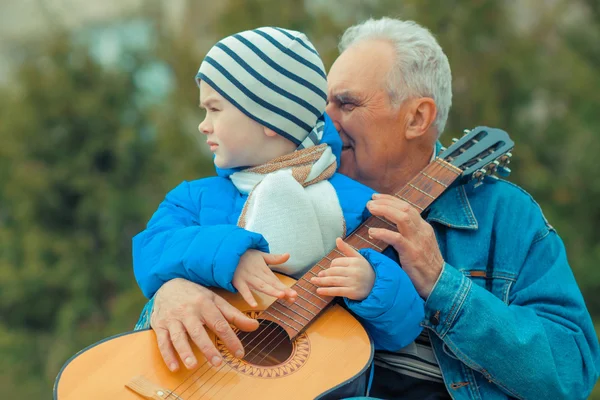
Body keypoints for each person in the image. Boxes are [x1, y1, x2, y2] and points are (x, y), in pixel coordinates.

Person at [136, 18, 600, 400]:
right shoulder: (269, 191)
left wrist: (443, 285)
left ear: (417, 117)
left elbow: (571, 372)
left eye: (346, 103)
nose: (324, 121)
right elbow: (165, 255)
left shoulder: (506, 217)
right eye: (321, 103)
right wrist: (171, 292)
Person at [132, 26, 424, 383]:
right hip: (206, 375)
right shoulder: (195, 198)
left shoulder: (362, 206)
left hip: (316, 383)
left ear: (270, 119)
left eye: (214, 109)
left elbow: (405, 327)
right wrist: (232, 254)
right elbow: (150, 250)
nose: (203, 125)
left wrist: (373, 285)